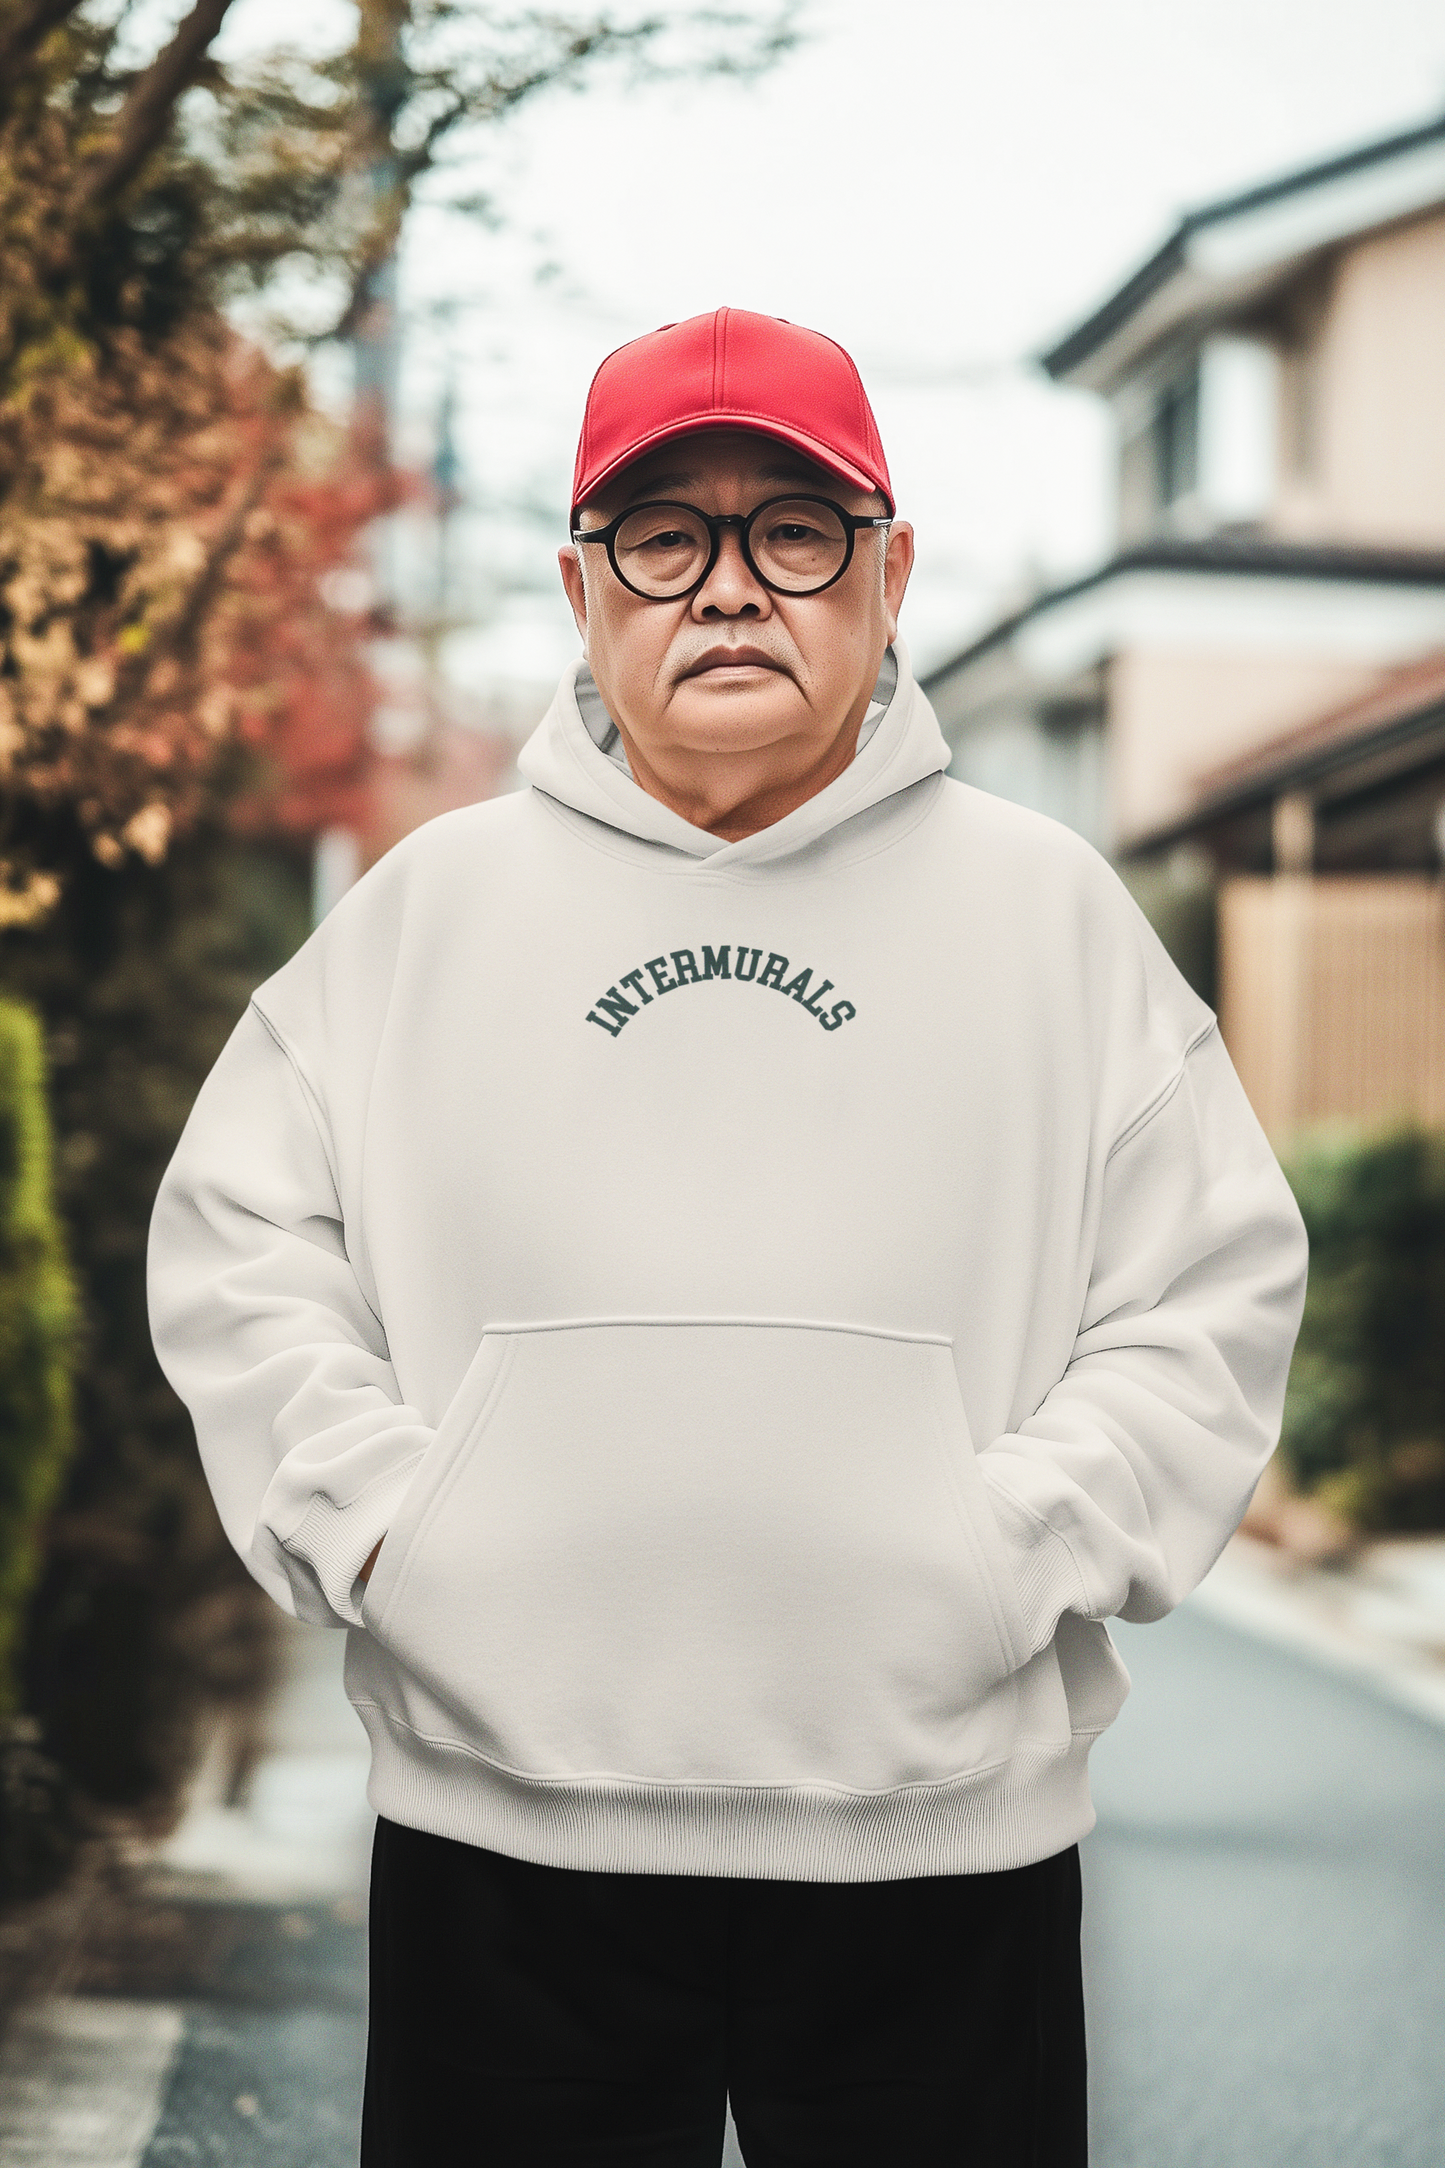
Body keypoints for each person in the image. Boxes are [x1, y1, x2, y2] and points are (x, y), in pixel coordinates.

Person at [148, 306, 1308, 2167]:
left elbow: (1207, 1289)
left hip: (942, 1830)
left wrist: (1017, 1546)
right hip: (501, 1831)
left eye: (795, 531)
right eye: (665, 537)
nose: (731, 592)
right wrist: (389, 1524)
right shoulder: (428, 909)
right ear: (583, 586)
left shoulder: (1049, 917)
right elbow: (239, 1237)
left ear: (890, 569)